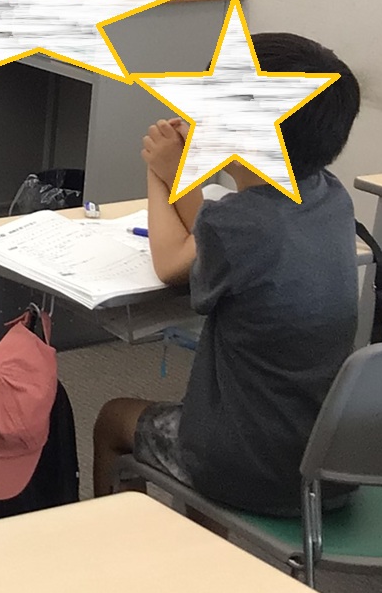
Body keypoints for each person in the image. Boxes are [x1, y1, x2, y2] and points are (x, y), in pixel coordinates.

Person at [92, 33, 362, 516]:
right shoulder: (329, 195)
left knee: (114, 420)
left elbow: (171, 264)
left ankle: (131, 549)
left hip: (251, 467)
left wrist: (160, 174)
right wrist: (180, 173)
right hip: (330, 459)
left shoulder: (238, 222)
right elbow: (213, 236)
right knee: (202, 419)